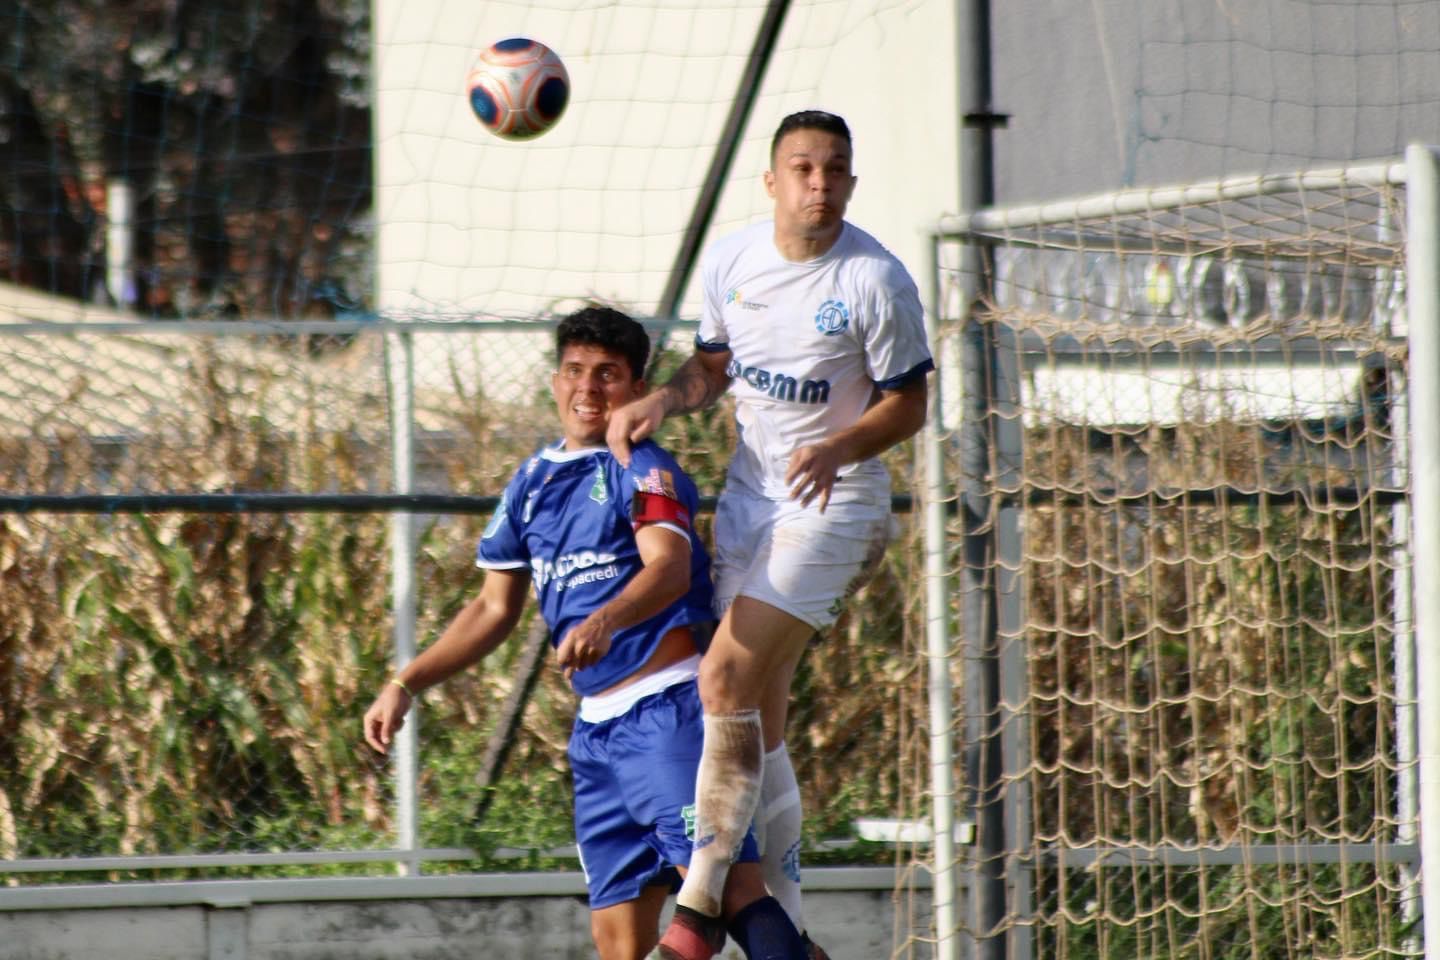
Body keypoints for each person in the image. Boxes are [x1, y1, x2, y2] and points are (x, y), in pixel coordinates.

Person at [363, 307, 809, 960]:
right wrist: (406, 681)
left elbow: (668, 565)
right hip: (596, 737)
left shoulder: (644, 468)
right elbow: (492, 609)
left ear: (636, 390)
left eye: (608, 375)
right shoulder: (531, 482)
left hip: (669, 714)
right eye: (575, 371)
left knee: (729, 893)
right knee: (618, 940)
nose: (588, 390)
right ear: (554, 381)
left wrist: (605, 619)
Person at [607, 110, 934, 960]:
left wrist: (840, 444)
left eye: (834, 171)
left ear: (851, 183)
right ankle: (786, 934)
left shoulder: (875, 280)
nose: (818, 185)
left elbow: (911, 403)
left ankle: (698, 908)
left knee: (722, 679)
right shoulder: (735, 260)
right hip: (752, 496)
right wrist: (665, 399)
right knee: (759, 716)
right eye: (802, 169)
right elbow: (713, 366)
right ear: (773, 180)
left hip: (837, 502)